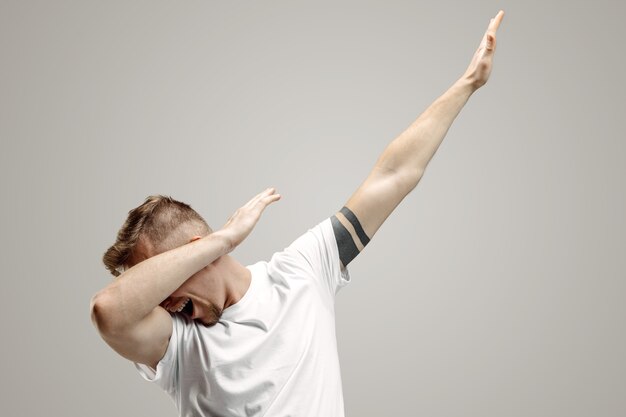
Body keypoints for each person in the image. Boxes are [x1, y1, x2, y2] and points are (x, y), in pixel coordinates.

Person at [91, 10, 505, 417]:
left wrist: (469, 84)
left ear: (192, 249)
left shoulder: (301, 271)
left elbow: (392, 176)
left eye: (165, 284)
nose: (161, 302)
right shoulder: (177, 345)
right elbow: (108, 312)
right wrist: (224, 240)